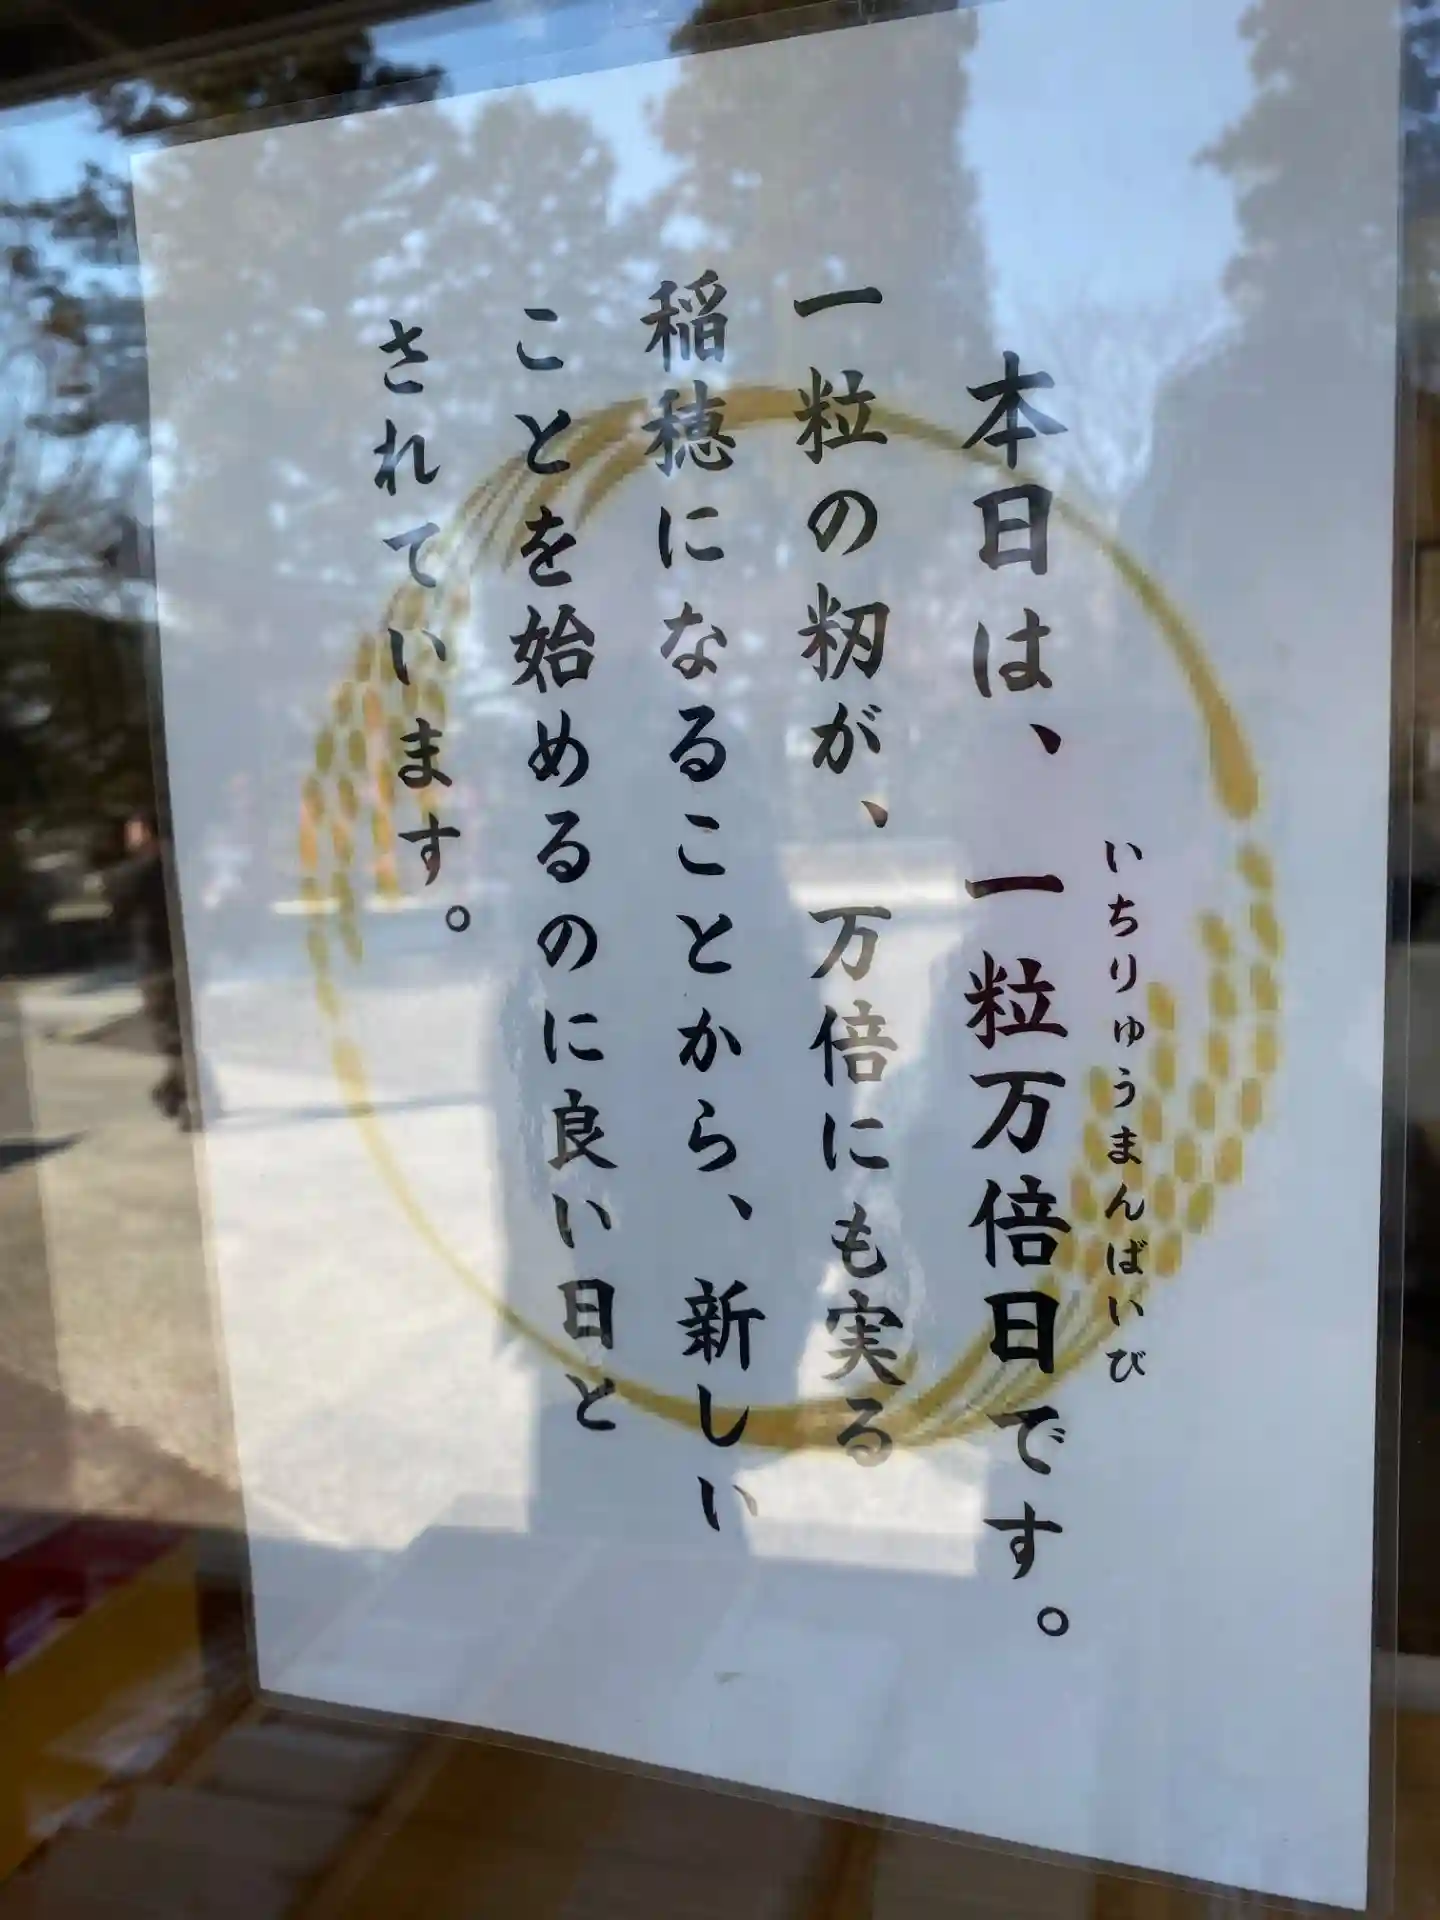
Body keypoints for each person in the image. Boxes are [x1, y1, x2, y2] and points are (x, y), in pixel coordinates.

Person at [105, 810, 193, 1128]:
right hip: (187, 961)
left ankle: (188, 1099)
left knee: (174, 1038)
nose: (128, 838)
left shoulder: (140, 872)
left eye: (134, 831)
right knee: (185, 1036)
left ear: (147, 833)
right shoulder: (185, 863)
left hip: (159, 964)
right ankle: (173, 1093)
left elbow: (115, 904)